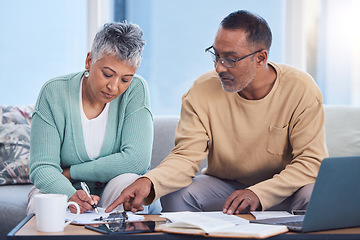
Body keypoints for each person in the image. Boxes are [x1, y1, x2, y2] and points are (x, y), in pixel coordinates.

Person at [106, 10, 328, 215]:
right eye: (216, 55)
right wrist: (149, 182)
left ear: (261, 58)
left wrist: (260, 193)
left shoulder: (301, 88)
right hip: (225, 187)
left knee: (315, 195)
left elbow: (311, 162)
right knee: (176, 195)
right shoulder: (201, 91)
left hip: (285, 189)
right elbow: (186, 156)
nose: (219, 67)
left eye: (230, 59)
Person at [27, 22, 161, 215]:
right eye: (107, 74)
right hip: (62, 186)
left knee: (133, 186)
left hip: (111, 189)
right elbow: (42, 167)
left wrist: (72, 172)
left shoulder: (136, 89)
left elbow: (137, 161)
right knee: (45, 204)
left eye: (125, 79)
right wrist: (70, 193)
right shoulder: (54, 92)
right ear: (89, 61)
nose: (114, 87)